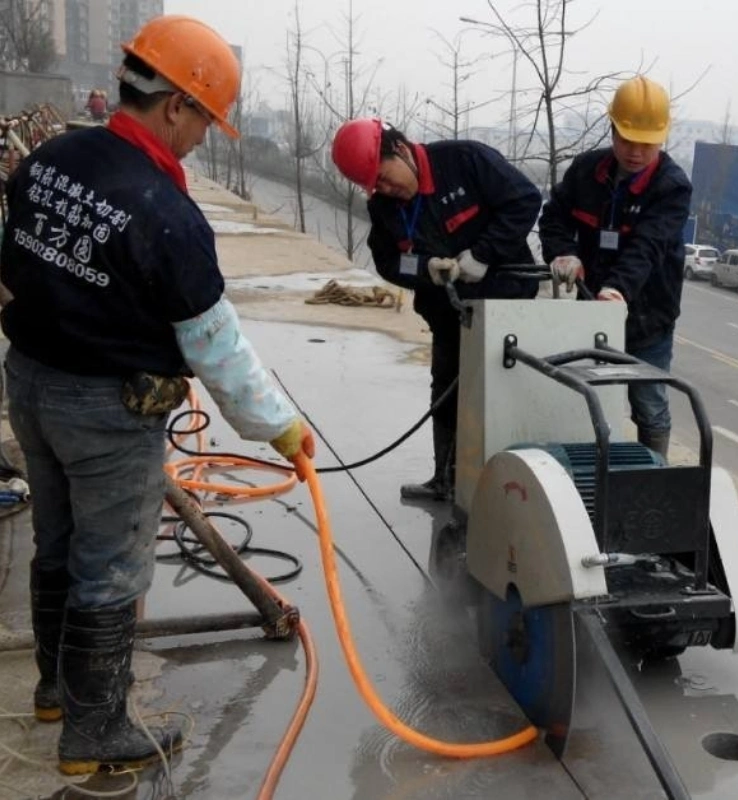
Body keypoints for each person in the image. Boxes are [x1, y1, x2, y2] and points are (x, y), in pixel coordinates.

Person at [0, 14, 314, 776]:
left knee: (59, 546)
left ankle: (54, 691)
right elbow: (215, 348)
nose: (204, 137)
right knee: (109, 566)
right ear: (174, 104)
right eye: (205, 119)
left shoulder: (51, 159)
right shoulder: (166, 214)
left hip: (31, 386)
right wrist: (278, 428)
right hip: (106, 412)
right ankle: (95, 731)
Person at [331, 119, 542, 501]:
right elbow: (389, 260)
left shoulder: (464, 161)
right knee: (446, 388)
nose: (387, 189)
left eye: (385, 176)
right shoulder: (385, 207)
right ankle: (445, 478)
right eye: (376, 186)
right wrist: (425, 268)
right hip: (448, 314)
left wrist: (483, 254)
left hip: (507, 305)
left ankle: (512, 491)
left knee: (504, 393)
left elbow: (525, 200)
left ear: (400, 150)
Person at [539, 75, 692, 459]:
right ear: (612, 130)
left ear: (662, 139)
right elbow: (554, 217)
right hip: (589, 312)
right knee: (588, 398)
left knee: (650, 405)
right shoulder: (586, 172)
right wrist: (562, 253)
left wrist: (618, 288)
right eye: (627, 140)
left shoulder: (671, 187)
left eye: (646, 144)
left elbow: (648, 247)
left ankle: (651, 478)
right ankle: (589, 470)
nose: (636, 152)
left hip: (647, 317)